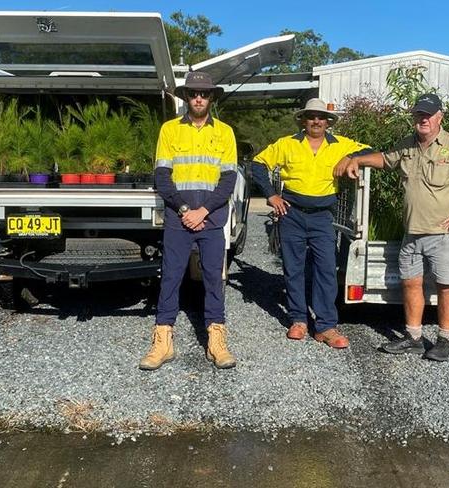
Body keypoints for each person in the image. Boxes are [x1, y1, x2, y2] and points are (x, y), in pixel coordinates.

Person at [335, 93, 449, 361]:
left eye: (428, 114)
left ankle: (445, 340)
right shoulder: (407, 145)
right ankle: (413, 338)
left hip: (446, 233)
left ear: (440, 117)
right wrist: (356, 159)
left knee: (446, 285)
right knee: (411, 284)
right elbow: (384, 159)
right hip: (412, 233)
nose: (423, 119)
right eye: (419, 114)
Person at [252, 98, 371, 349]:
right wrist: (271, 195)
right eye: (311, 117)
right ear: (303, 120)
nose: (316, 121)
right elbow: (258, 164)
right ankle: (298, 320)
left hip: (322, 216)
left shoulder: (340, 145)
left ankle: (326, 326)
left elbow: (370, 150)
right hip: (291, 213)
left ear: (328, 122)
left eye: (321, 117)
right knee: (293, 268)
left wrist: (350, 158)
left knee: (326, 269)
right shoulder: (287, 144)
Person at [139, 71, 237, 370]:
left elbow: (228, 179)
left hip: (211, 219)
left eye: (204, 94)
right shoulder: (169, 130)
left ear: (211, 98)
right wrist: (184, 209)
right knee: (170, 277)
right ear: (185, 97)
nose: (198, 98)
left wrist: (203, 211)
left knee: (212, 279)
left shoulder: (225, 132)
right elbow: (162, 177)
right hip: (178, 219)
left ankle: (216, 341)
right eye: (193, 93)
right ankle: (163, 342)